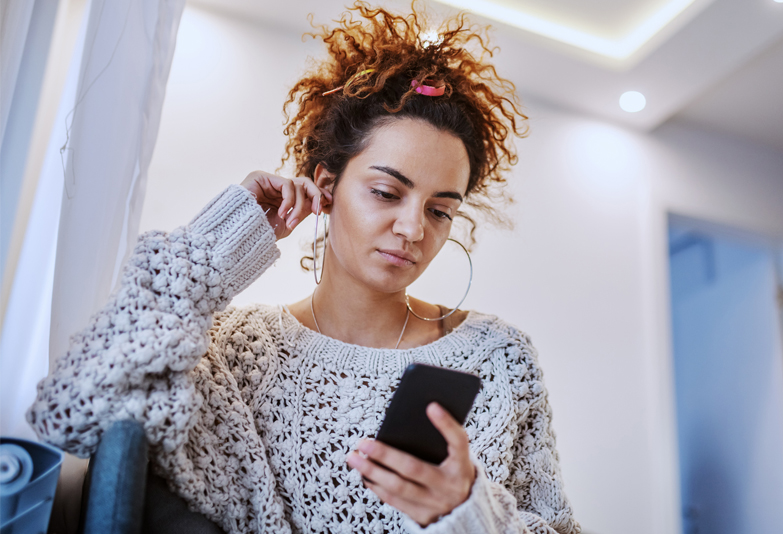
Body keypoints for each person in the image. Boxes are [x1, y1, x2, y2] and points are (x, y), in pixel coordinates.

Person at [27, 2, 580, 533]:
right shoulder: (231, 352)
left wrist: (469, 512)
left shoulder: (500, 360)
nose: (414, 228)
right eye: (387, 192)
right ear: (327, 185)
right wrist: (218, 242)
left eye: (440, 210)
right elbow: (72, 414)